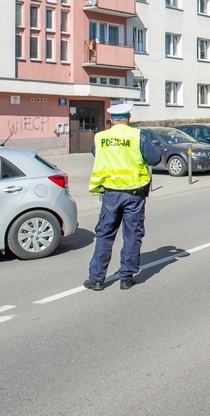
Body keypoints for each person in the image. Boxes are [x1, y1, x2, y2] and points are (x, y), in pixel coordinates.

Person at [84, 103, 161, 292]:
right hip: (134, 194)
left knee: (104, 234)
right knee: (132, 234)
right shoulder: (138, 136)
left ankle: (97, 279)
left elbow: (96, 153)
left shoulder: (100, 137)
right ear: (129, 119)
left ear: (111, 120)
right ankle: (126, 278)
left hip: (111, 194)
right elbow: (155, 158)